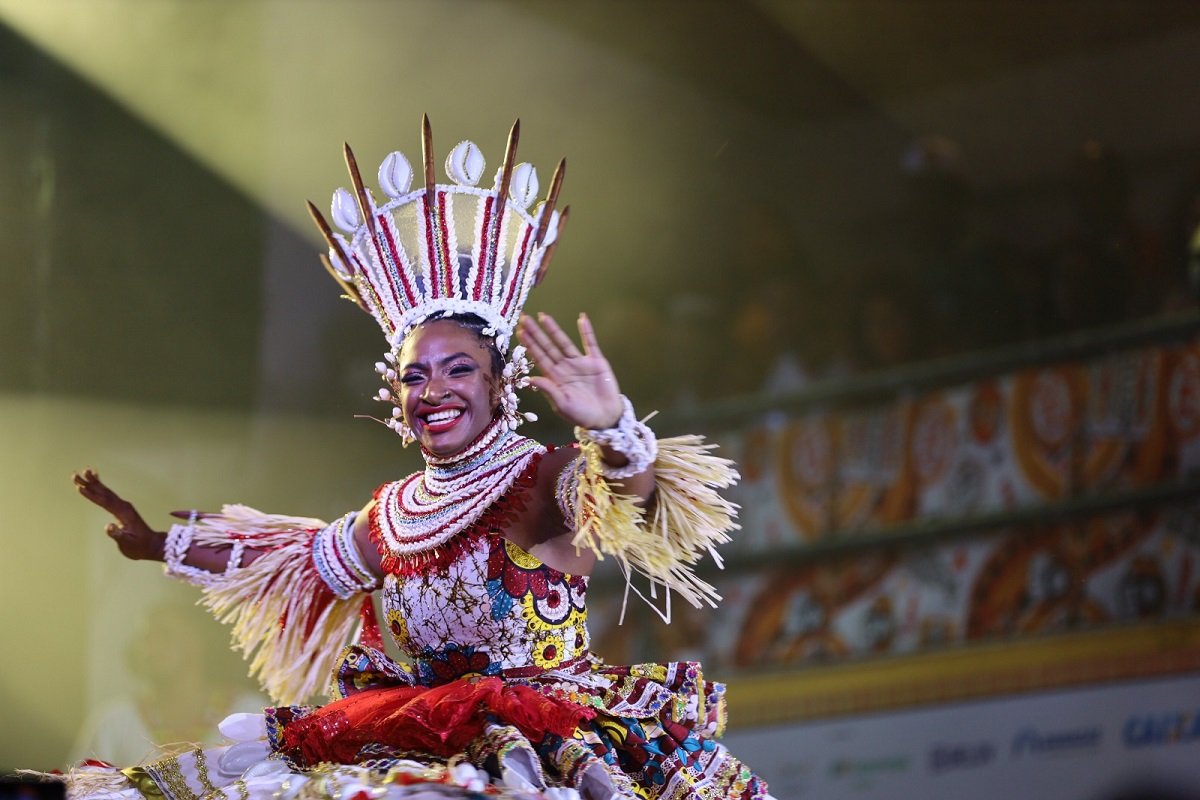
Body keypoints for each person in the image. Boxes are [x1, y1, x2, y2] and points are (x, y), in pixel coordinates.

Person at [58, 120, 772, 800]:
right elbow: (292, 564)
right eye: (413, 376)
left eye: (457, 370)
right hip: (412, 742)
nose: (433, 391)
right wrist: (160, 545)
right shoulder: (394, 516)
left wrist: (614, 426)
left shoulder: (545, 477)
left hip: (543, 753)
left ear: (499, 382)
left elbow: (634, 498)